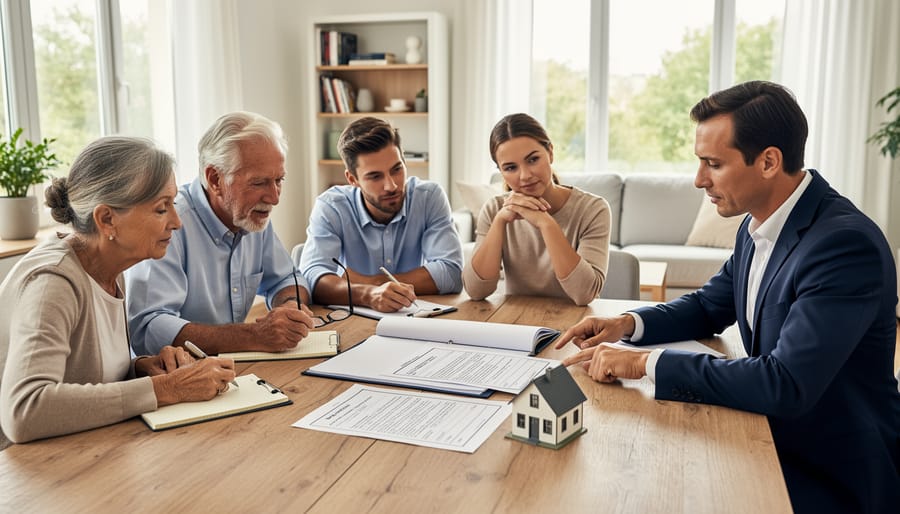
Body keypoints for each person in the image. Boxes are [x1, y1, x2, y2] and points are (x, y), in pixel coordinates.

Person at [557, 81, 900, 513]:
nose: (699, 179)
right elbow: (707, 306)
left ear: (769, 162)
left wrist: (643, 363)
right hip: (765, 436)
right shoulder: (757, 223)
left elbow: (785, 383)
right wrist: (628, 325)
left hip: (827, 472)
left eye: (713, 164)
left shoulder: (844, 246)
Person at [0, 137, 236, 446]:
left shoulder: (111, 269)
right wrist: (168, 388)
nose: (177, 223)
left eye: (173, 205)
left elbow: (83, 377)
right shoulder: (52, 282)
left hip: (87, 449)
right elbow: (25, 410)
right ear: (107, 219)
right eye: (161, 209)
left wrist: (141, 370)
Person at [125, 111, 315, 355]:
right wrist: (253, 335)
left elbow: (287, 279)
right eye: (258, 183)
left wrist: (289, 307)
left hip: (231, 366)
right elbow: (148, 327)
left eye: (279, 180)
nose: (274, 198)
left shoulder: (251, 215)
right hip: (176, 378)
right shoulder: (168, 224)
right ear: (215, 179)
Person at [300, 116, 463, 312]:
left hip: (414, 316)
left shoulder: (429, 197)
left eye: (396, 169)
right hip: (354, 320)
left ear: (404, 160)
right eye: (375, 176)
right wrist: (368, 295)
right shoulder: (331, 206)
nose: (391, 185)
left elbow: (451, 273)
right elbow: (312, 277)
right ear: (352, 179)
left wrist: (371, 282)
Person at [462, 113, 610, 305]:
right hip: (517, 323)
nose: (525, 176)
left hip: (576, 325)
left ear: (550, 152)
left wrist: (545, 223)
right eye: (510, 168)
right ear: (501, 172)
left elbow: (584, 294)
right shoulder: (495, 210)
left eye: (532, 160)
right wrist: (499, 222)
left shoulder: (593, 209)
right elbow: (475, 291)